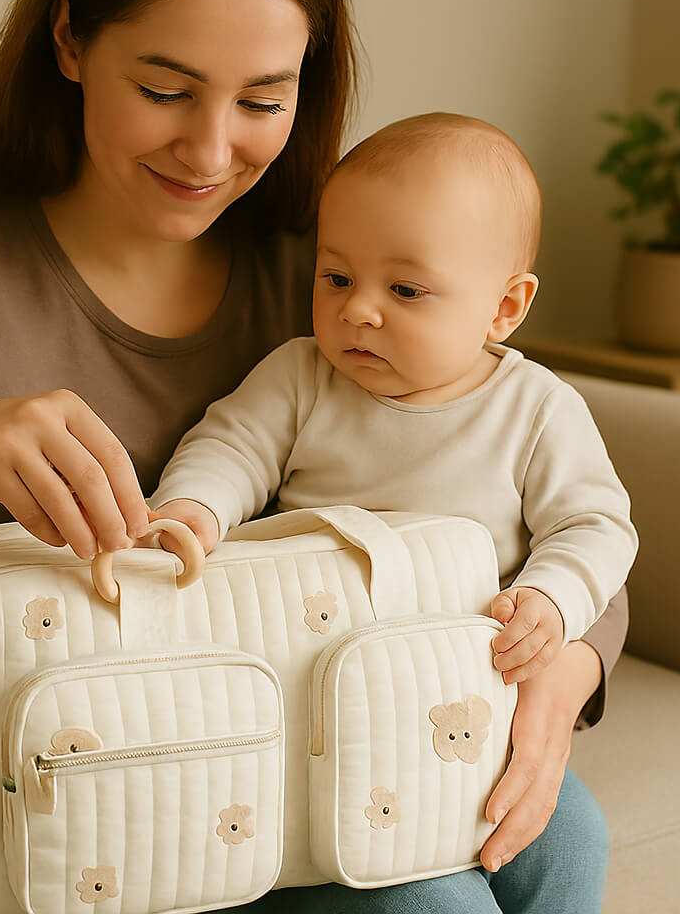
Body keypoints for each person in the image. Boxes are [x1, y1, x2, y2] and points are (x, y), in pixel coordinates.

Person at [0, 0, 623, 912]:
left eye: (263, 100)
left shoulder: (328, 274)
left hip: (241, 760)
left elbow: (541, 497)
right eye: (164, 87)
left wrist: (564, 666)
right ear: (68, 40)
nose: (210, 148)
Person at [150, 112, 638, 685]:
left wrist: (551, 598)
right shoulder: (302, 376)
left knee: (548, 783)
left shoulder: (536, 410)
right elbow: (230, 449)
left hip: (457, 679)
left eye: (405, 290)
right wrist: (194, 508)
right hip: (300, 657)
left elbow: (594, 526)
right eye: (336, 278)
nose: (357, 310)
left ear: (505, 308)